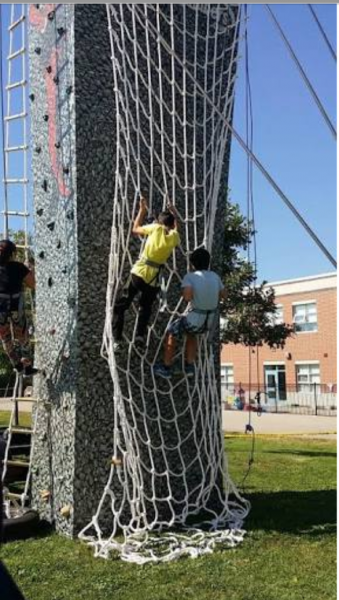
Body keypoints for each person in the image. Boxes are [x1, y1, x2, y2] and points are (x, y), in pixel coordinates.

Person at [113, 195, 180, 349]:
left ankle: (117, 339)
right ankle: (140, 336)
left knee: (120, 306)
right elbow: (176, 228)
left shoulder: (156, 228)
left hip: (140, 272)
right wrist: (174, 213)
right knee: (145, 308)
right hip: (154, 279)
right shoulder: (174, 237)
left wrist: (142, 211)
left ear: (159, 222)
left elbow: (135, 229)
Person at [154, 247, 226, 378]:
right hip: (208, 322)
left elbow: (187, 297)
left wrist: (190, 291)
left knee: (172, 332)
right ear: (208, 262)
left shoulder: (190, 277)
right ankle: (189, 367)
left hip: (195, 319)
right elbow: (223, 295)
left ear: (193, 264)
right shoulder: (215, 276)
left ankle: (166, 367)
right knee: (192, 335)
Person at [0, 239, 37, 376]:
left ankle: (17, 364)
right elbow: (32, 284)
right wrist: (29, 270)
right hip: (16, 306)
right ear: (12, 253)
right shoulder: (18, 267)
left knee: (5, 337)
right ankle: (27, 367)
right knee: (23, 337)